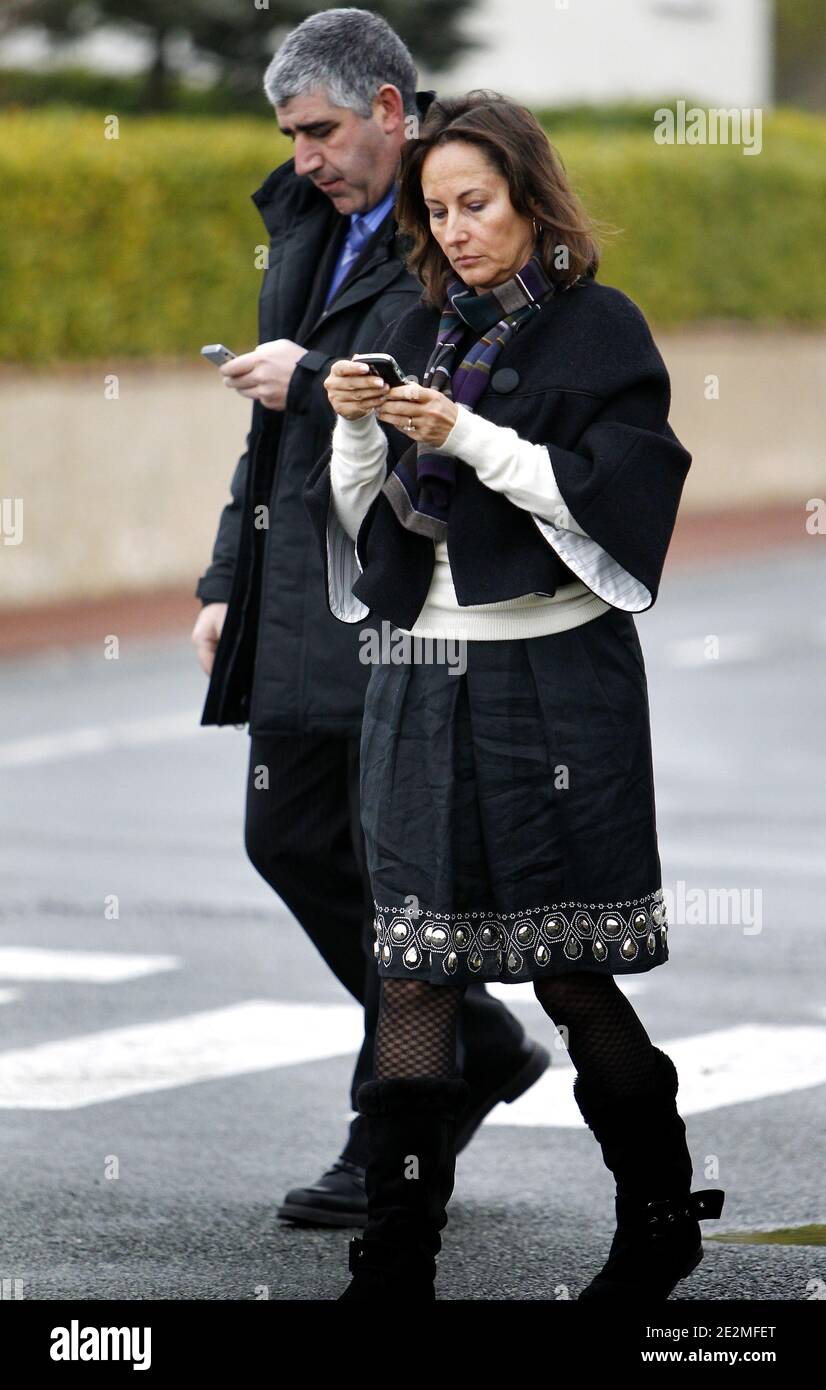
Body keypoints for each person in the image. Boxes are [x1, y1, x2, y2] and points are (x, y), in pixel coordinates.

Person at [305, 91, 726, 1300]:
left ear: (533, 200)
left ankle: (658, 1225)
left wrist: (468, 431)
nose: (454, 232)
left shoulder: (601, 331)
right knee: (415, 969)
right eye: (435, 212)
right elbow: (378, 538)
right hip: (421, 681)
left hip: (553, 684)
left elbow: (613, 505)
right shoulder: (431, 331)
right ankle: (393, 1259)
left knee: (566, 969)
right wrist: (355, 435)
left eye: (474, 205)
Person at [191, 13, 549, 1230]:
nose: (304, 157)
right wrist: (220, 583)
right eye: (290, 135)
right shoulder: (310, 225)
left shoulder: (466, 205)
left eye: (322, 131)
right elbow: (266, 433)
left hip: (412, 587)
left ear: (391, 108)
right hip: (294, 595)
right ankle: (480, 1043)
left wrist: (324, 383)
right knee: (289, 838)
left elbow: (496, 373)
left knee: (401, 874)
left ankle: (391, 1136)